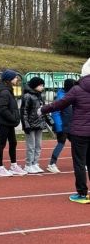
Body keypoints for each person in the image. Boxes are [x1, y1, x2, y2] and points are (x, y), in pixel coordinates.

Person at [40, 58, 90, 203]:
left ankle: (82, 193)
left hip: (80, 133)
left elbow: (60, 104)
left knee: (80, 163)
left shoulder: (77, 89)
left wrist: (42, 109)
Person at [0, 70, 25, 177]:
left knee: (13, 142)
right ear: (9, 79)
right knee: (2, 143)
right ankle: (0, 167)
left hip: (9, 122)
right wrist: (13, 118)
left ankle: (13, 165)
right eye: (15, 78)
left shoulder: (8, 89)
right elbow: (2, 108)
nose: (17, 79)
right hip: (4, 122)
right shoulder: (4, 92)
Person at [47, 78, 76, 173]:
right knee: (61, 143)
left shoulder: (73, 96)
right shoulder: (61, 97)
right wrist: (59, 127)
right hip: (63, 126)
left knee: (78, 145)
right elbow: (55, 112)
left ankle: (82, 163)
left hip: (72, 125)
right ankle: (52, 164)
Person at [20, 77, 46, 174]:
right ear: (35, 85)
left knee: (38, 145)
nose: (42, 87)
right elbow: (24, 112)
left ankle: (35, 163)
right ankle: (28, 165)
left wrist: (47, 120)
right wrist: (26, 125)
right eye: (40, 85)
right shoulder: (27, 96)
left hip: (39, 124)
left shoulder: (39, 96)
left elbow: (43, 109)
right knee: (31, 146)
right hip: (30, 125)